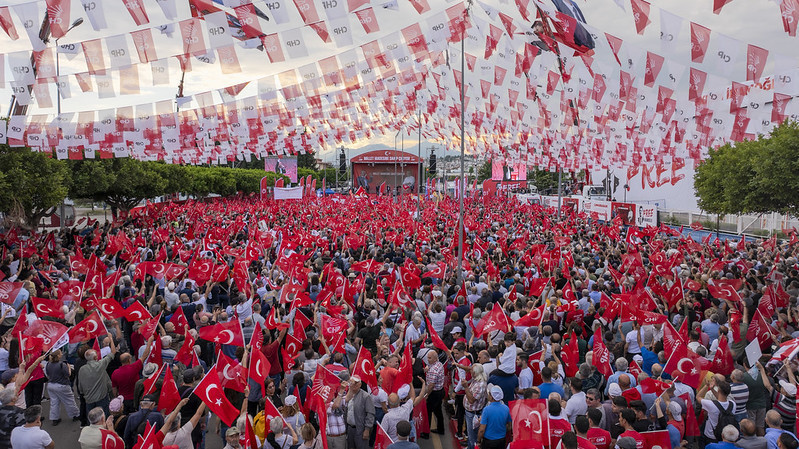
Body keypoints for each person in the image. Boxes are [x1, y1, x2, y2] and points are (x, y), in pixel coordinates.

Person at [77, 338, 118, 415]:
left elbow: (80, 386)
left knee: (92, 418)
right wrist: (111, 338)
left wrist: (83, 393)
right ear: (96, 358)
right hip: (101, 397)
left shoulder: (82, 369)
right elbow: (113, 353)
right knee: (104, 416)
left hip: (89, 399)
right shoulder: (100, 365)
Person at [44, 349, 80, 425]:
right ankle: (75, 415)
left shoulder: (48, 364)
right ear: (58, 356)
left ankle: (54, 418)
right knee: (69, 401)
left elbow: (47, 374)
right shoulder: (62, 365)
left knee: (54, 402)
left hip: (51, 385)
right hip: (62, 385)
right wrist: (69, 368)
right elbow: (68, 375)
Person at [345, 375, 375, 449]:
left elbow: (370, 413)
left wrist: (367, 429)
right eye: (352, 383)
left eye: (356, 383)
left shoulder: (366, 396)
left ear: (360, 384)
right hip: (349, 429)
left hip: (361, 430)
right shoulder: (347, 396)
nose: (354, 385)